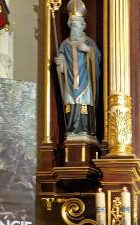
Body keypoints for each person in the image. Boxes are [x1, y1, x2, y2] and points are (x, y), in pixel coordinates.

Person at [54, 0, 101, 141]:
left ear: (83, 25)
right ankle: (71, 130)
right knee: (71, 106)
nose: (75, 26)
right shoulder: (65, 45)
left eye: (77, 23)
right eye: (72, 23)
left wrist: (88, 50)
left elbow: (97, 58)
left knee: (84, 106)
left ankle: (86, 130)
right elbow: (61, 64)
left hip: (85, 82)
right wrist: (60, 64)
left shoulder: (88, 42)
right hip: (70, 82)